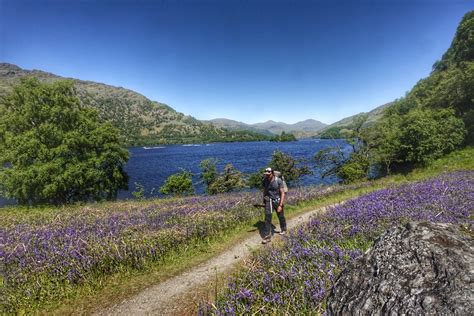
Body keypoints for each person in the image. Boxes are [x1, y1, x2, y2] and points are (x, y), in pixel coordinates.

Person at [261, 167, 287, 244]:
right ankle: (267, 237)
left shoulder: (278, 181)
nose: (267, 176)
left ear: (272, 173)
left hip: (278, 200)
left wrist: (280, 205)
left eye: (269, 174)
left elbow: (282, 193)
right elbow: (265, 190)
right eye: (266, 174)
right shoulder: (265, 180)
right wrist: (264, 200)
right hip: (269, 200)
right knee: (267, 218)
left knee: (281, 216)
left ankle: (284, 229)